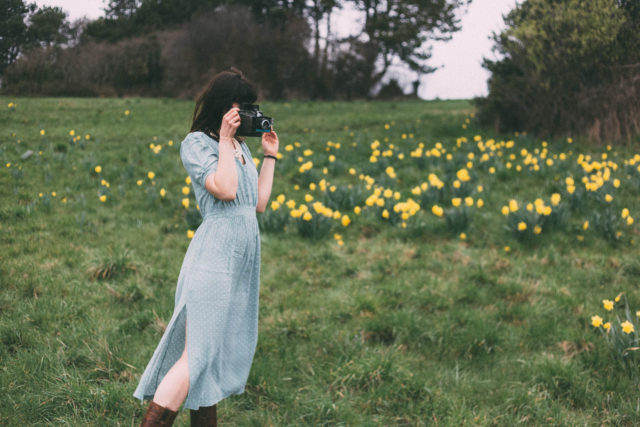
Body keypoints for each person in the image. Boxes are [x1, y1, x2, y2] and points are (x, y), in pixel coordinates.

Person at [133, 68, 279, 426]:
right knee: (197, 355)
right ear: (222, 105)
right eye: (239, 106)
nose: (244, 114)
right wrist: (226, 141)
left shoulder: (240, 147)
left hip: (241, 258)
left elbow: (256, 204)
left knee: (211, 357)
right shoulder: (197, 143)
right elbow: (225, 190)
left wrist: (270, 156)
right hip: (215, 255)